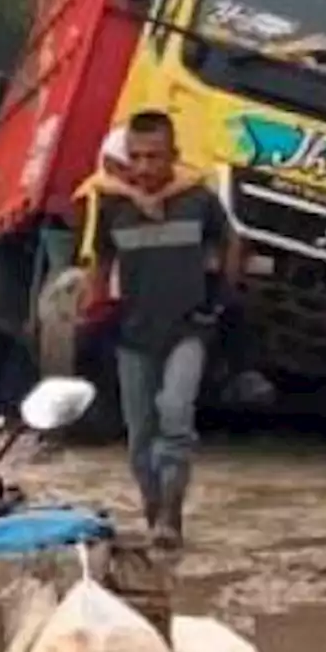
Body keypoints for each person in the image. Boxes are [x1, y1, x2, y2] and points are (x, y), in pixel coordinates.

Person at [87, 110, 239, 548]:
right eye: (136, 157)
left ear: (174, 155)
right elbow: (101, 262)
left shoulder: (199, 201)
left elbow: (230, 241)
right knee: (139, 438)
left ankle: (171, 515)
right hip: (132, 335)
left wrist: (223, 295)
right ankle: (155, 513)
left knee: (175, 413)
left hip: (188, 330)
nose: (145, 168)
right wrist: (92, 311)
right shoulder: (113, 207)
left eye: (155, 157)